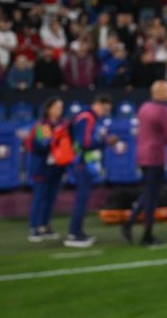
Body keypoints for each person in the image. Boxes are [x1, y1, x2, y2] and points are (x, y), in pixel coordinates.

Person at [123, 80, 167, 246]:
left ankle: (130, 223)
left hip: (142, 155)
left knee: (148, 193)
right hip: (156, 156)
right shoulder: (163, 110)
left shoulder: (144, 107)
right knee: (151, 197)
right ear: (160, 92)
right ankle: (146, 234)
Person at [65, 94, 117, 248]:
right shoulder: (87, 118)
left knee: (82, 199)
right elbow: (85, 143)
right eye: (105, 109)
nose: (105, 113)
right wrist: (105, 141)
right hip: (82, 163)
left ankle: (77, 231)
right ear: (98, 104)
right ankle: (74, 234)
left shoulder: (88, 117)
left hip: (83, 163)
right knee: (81, 199)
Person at [26, 97, 66, 242]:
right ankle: (34, 227)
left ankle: (45, 225)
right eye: (56, 107)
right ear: (49, 109)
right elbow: (40, 146)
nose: (59, 110)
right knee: (39, 197)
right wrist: (57, 138)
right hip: (42, 166)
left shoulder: (62, 124)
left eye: (61, 107)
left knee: (51, 197)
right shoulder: (41, 125)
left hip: (57, 167)